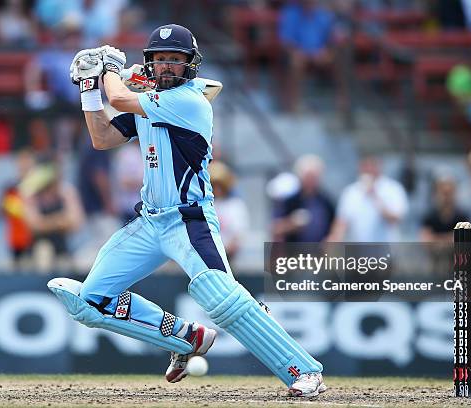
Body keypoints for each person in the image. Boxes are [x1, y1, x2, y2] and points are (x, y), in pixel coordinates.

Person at [49, 24, 326, 397]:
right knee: (90, 303)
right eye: (159, 60)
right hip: (149, 221)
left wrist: (107, 69)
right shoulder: (149, 99)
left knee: (220, 296)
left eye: (174, 61)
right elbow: (102, 138)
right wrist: (88, 89)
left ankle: (302, 369)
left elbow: (120, 98)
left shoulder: (189, 101)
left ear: (189, 65)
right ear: (149, 63)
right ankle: (185, 338)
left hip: (188, 219)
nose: (166, 67)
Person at [328, 156, 408, 242]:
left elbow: (395, 219)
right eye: (365, 165)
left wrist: (375, 197)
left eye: (372, 164)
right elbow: (342, 222)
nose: (368, 168)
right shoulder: (351, 192)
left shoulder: (393, 189)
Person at [271, 155, 334, 242]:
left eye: (314, 177)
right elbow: (275, 228)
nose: (311, 181)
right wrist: (292, 224)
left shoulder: (325, 202)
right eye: (309, 177)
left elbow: (334, 227)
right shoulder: (290, 201)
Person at [209, 160, 250, 260]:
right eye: (214, 185)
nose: (217, 189)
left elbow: (239, 232)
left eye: (219, 186)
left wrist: (228, 248)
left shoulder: (235, 205)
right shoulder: (207, 205)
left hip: (228, 255)